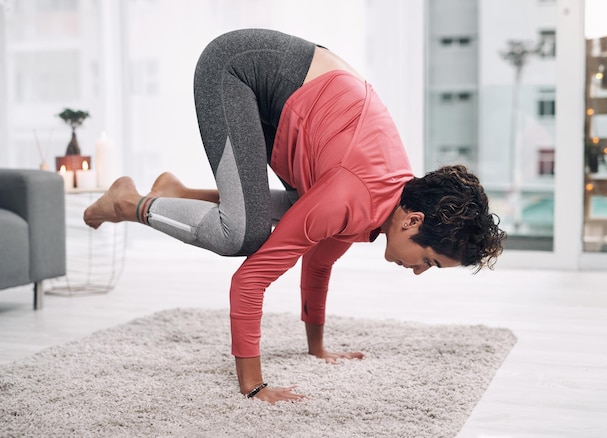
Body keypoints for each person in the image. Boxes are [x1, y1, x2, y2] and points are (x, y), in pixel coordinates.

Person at [84, 28, 506, 404]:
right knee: (240, 236)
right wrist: (254, 385)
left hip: (287, 95)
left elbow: (318, 260)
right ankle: (130, 203)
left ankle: (178, 193)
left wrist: (317, 348)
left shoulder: (383, 201)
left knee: (299, 216)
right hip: (236, 69)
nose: (417, 272)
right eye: (428, 261)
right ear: (413, 221)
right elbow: (250, 280)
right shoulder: (348, 197)